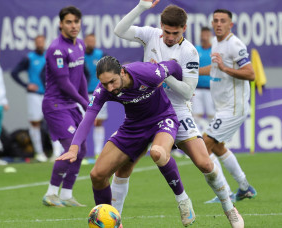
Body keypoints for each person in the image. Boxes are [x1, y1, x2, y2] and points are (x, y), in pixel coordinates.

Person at [113, 1, 243, 227]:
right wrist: (142, 7)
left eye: (175, 32)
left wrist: (161, 73)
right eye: (166, 31)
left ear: (184, 28)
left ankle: (229, 208)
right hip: (147, 109)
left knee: (204, 163)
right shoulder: (150, 35)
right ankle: (114, 219)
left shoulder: (189, 51)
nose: (170, 37)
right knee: (124, 166)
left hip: (177, 111)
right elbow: (119, 31)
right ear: (160, 25)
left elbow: (187, 91)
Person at [58, 56, 196, 227]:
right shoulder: (104, 89)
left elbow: (174, 65)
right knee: (97, 175)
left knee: (157, 153)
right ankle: (112, 222)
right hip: (133, 127)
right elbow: (89, 117)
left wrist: (185, 92)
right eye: (105, 83)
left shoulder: (148, 72)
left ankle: (183, 200)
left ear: (122, 72)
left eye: (112, 82)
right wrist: (73, 148)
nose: (109, 87)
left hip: (162, 119)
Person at [198, 9, 257, 203]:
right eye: (215, 20)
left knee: (204, 145)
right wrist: (192, 72)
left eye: (223, 21)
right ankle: (245, 187)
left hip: (233, 108)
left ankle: (224, 194)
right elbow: (214, 69)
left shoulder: (235, 44)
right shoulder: (216, 42)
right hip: (223, 107)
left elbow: (250, 74)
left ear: (230, 25)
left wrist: (225, 68)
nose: (218, 24)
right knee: (217, 147)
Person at [41, 6, 89, 208]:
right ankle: (51, 193)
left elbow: (81, 78)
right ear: (61, 24)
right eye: (69, 22)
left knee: (81, 149)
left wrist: (88, 102)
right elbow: (64, 83)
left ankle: (67, 194)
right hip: (56, 105)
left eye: (76, 21)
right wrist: (84, 102)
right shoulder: (56, 49)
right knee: (71, 148)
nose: (73, 25)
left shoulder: (80, 45)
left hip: (71, 104)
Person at [11, 35, 49, 162]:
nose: (40, 45)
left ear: (44, 43)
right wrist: (26, 85)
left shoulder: (50, 57)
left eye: (41, 42)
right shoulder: (29, 58)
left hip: (49, 94)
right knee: (35, 123)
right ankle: (39, 153)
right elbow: (14, 73)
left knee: (55, 123)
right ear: (34, 43)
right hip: (34, 95)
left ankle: (57, 152)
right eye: (37, 42)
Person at [84, 33, 107, 159]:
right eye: (89, 41)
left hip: (99, 92)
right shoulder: (79, 56)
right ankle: (80, 151)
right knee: (83, 122)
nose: (91, 43)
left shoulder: (101, 55)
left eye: (93, 41)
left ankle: (98, 152)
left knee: (98, 122)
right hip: (83, 93)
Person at [192, 27, 216, 133]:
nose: (205, 37)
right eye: (203, 34)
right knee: (196, 115)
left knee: (212, 115)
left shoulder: (214, 50)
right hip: (197, 88)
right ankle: (198, 137)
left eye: (207, 34)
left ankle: (214, 138)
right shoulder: (195, 50)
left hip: (211, 88)